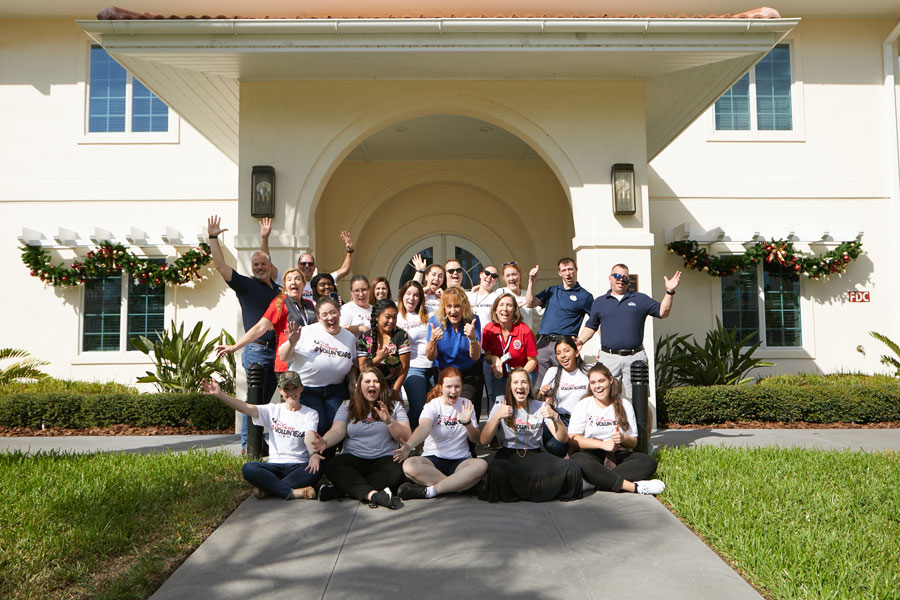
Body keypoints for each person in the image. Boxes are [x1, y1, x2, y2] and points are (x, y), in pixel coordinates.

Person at [207, 215, 280, 451]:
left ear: (271, 268)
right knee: (254, 400)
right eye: (255, 265)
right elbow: (220, 266)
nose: (259, 267)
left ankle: (257, 442)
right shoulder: (247, 286)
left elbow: (267, 259)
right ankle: (249, 446)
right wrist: (213, 238)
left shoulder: (279, 290)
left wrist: (264, 239)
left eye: (263, 264)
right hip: (257, 350)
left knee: (264, 401)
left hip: (277, 352)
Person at [200, 372, 321, 500]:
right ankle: (293, 492)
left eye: (294, 388)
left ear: (301, 388)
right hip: (275, 465)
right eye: (286, 388)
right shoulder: (273, 410)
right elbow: (245, 407)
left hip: (298, 465)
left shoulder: (310, 413)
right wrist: (220, 394)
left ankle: (269, 489)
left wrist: (313, 455)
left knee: (317, 469)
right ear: (280, 390)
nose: (291, 392)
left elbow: (309, 435)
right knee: (249, 468)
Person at [576, 264, 682, 400]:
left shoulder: (640, 299)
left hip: (635, 357)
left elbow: (663, 312)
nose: (621, 280)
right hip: (608, 358)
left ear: (629, 281)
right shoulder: (600, 302)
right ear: (610, 278)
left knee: (640, 399)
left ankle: (641, 422)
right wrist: (580, 341)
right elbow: (591, 326)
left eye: (625, 278)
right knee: (606, 398)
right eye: (617, 276)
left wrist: (669, 292)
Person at [478, 368, 582, 502]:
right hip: (509, 453)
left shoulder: (540, 405)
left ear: (529, 386)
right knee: (496, 469)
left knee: (571, 468)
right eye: (515, 382)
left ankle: (520, 490)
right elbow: (483, 440)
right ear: (510, 386)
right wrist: (497, 416)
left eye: (524, 382)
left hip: (535, 454)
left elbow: (561, 438)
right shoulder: (501, 404)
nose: (520, 386)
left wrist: (556, 417)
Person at [312, 368, 411, 509]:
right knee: (333, 466)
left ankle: (342, 490)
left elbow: (407, 437)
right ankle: (374, 496)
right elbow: (337, 430)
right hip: (353, 457)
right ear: (359, 386)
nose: (372, 385)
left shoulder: (395, 406)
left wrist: (389, 422)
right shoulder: (347, 405)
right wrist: (325, 441)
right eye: (367, 381)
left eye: (376, 381)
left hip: (384, 458)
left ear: (382, 385)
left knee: (397, 473)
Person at [568, 364, 664, 496]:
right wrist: (602, 444)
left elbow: (633, 442)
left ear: (611, 380)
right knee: (577, 460)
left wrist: (623, 439)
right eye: (593, 383)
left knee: (648, 462)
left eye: (601, 381)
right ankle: (634, 487)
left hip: (616, 454)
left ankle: (594, 481)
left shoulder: (625, 404)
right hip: (590, 454)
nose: (597, 386)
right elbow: (573, 438)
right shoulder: (584, 404)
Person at [392, 367, 488, 499]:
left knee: (481, 465)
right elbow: (423, 428)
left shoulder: (466, 404)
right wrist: (409, 446)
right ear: (441, 387)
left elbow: (476, 439)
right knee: (409, 465)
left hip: (460, 461)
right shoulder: (433, 405)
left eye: (457, 387)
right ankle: (460, 485)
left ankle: (432, 490)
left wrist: (467, 423)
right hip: (433, 460)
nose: (453, 391)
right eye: (449, 386)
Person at [279, 296, 357, 444]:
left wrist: (353, 380)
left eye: (333, 312)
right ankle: (315, 461)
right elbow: (284, 357)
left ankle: (329, 462)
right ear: (319, 318)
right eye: (325, 315)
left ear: (339, 313)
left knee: (338, 426)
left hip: (335, 389)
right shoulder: (306, 332)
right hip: (308, 389)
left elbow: (352, 363)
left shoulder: (349, 338)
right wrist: (292, 342)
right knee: (318, 425)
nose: (330, 317)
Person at [215, 268, 316, 374]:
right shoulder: (280, 303)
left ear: (304, 284)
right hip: (288, 363)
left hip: (308, 360)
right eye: (289, 280)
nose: (294, 282)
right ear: (285, 285)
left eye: (297, 279)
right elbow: (260, 327)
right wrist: (235, 347)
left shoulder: (309, 304)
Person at [524, 258, 594, 382]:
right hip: (543, 344)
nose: (567, 273)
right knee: (540, 385)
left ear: (576, 270)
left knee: (563, 383)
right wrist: (531, 280)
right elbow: (530, 303)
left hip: (564, 345)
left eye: (570, 269)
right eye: (564, 270)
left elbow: (595, 321)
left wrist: (581, 341)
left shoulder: (585, 296)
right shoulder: (552, 291)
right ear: (559, 273)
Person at [425, 287, 484, 422]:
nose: (453, 311)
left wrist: (473, 338)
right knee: (446, 412)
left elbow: (475, 356)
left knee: (467, 410)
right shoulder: (435, 321)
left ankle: (470, 442)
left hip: (469, 372)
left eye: (457, 306)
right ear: (444, 308)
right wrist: (433, 341)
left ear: (464, 307)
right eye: (449, 306)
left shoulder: (473, 320)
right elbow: (430, 356)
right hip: (444, 373)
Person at [537, 337, 590, 457]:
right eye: (558, 353)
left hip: (581, 421)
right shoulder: (553, 371)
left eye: (566, 351)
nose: (563, 356)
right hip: (559, 419)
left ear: (576, 352)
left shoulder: (588, 371)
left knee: (555, 446)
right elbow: (541, 399)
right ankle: (575, 446)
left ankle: (574, 448)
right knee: (551, 444)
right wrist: (543, 393)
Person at [482, 293, 537, 404]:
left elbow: (533, 361)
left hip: (525, 371)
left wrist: (519, 375)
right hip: (500, 373)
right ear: (495, 310)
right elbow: (487, 355)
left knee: (521, 404)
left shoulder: (525, 330)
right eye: (501, 305)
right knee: (498, 403)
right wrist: (494, 358)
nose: (505, 309)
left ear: (515, 310)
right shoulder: (489, 329)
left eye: (509, 305)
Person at [273, 230, 354, 303]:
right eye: (303, 263)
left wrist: (349, 251)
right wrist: (264, 237)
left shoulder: (322, 282)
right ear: (297, 266)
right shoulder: (289, 281)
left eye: (310, 264)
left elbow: (345, 269)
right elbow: (268, 267)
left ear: (314, 267)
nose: (307, 266)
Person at [396, 280, 433, 430]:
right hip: (412, 367)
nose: (412, 298)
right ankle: (406, 437)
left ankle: (424, 444)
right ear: (402, 295)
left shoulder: (428, 313)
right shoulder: (397, 317)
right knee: (418, 406)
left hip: (433, 366)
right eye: (408, 294)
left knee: (431, 410)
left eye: (416, 295)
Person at [356, 299, 410, 400]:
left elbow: (404, 367)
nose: (391, 321)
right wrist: (379, 358)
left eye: (394, 317)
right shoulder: (365, 338)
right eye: (387, 317)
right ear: (377, 317)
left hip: (391, 388)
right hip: (368, 388)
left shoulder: (401, 336)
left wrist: (395, 391)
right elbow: (363, 369)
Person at [496, 261, 535, 330]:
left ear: (520, 275)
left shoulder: (527, 294)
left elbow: (539, 315)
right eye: (508, 275)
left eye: (514, 274)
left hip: (527, 336)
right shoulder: (501, 293)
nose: (511, 278)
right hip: (508, 336)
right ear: (504, 278)